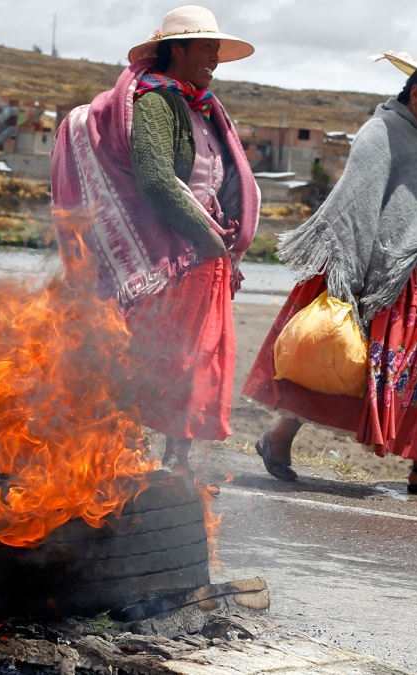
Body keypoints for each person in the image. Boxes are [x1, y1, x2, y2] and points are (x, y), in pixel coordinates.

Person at [241, 48, 417, 495]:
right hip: (390, 279)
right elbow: (356, 207)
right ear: (416, 93)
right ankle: (278, 437)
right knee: (353, 367)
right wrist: (351, 282)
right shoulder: (381, 133)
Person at [50, 5, 261, 471]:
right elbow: (156, 181)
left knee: (191, 360)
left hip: (202, 255)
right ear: (176, 50)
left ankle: (175, 460)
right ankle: (123, 453)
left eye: (217, 49)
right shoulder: (156, 103)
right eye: (206, 47)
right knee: (153, 359)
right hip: (170, 258)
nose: (215, 57)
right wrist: (206, 239)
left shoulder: (200, 108)